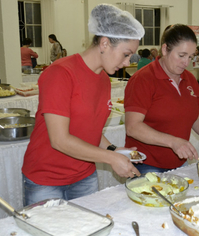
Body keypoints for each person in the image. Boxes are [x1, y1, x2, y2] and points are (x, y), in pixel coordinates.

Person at [22, 3, 145, 206]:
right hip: (47, 179)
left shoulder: (104, 79)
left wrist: (114, 150)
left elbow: (90, 130)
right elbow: (59, 140)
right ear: (104, 43)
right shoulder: (61, 73)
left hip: (84, 176)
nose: (127, 62)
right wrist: (110, 158)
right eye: (125, 54)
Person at [124, 24, 199, 174]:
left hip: (178, 162)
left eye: (190, 57)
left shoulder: (190, 79)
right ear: (165, 49)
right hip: (146, 163)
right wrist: (173, 142)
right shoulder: (143, 79)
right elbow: (133, 127)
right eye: (181, 55)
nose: (186, 62)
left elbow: (196, 117)